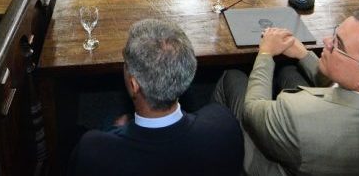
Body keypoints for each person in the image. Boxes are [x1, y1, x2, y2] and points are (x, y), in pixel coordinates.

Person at [213, 8, 359, 176]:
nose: (326, 41)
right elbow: (351, 87)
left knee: (234, 78)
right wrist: (303, 54)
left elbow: (252, 110)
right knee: (289, 71)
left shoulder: (298, 115)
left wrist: (265, 54)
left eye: (338, 45)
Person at [70, 19, 243, 175]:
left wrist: (117, 130)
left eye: (126, 64)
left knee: (108, 121)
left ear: (134, 85)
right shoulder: (224, 126)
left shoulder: (93, 151)